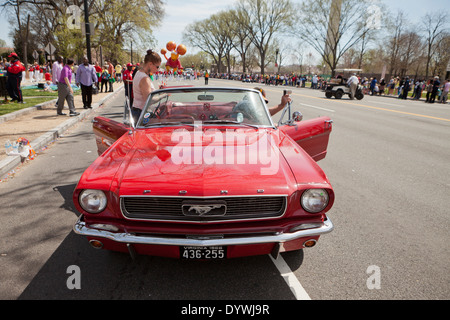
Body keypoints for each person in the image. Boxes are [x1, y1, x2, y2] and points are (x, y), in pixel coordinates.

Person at [132, 49, 161, 123]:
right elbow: (149, 100)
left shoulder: (138, 73)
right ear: (150, 64)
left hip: (137, 111)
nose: (158, 70)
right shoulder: (145, 78)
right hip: (142, 113)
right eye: (157, 67)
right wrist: (164, 95)